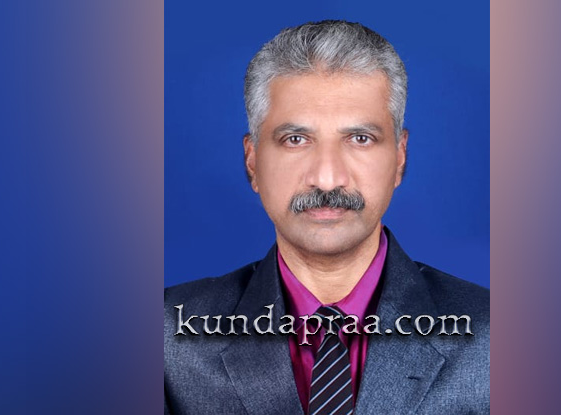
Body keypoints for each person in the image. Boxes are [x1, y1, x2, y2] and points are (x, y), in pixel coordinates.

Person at [164, 20, 489, 415]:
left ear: (400, 158)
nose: (327, 178)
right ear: (252, 161)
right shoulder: (167, 336)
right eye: (296, 140)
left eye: (360, 139)